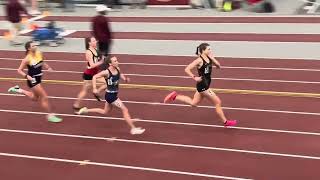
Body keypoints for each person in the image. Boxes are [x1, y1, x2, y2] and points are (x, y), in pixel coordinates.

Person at [164, 43, 237, 127]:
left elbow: (218, 66)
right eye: (208, 49)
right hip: (203, 86)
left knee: (193, 103)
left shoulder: (209, 58)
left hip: (205, 84)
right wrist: (194, 77)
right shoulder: (199, 60)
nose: (210, 51)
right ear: (203, 50)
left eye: (210, 49)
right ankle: (226, 122)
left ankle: (175, 96)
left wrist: (213, 58)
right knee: (218, 102)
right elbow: (187, 69)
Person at [77, 56, 145, 135]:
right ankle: (133, 129)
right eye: (115, 61)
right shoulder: (106, 72)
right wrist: (95, 88)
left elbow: (120, 74)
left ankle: (85, 110)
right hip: (110, 96)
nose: (117, 62)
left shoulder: (117, 68)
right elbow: (95, 77)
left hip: (113, 94)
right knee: (125, 109)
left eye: (117, 60)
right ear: (110, 63)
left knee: (104, 112)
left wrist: (125, 79)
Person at [8, 41, 62, 123]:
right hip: (32, 80)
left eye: (36, 45)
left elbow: (42, 61)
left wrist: (48, 67)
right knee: (45, 97)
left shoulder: (39, 53)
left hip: (39, 78)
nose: (36, 46)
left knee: (35, 98)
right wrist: (27, 76)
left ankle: (18, 89)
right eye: (33, 46)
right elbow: (19, 70)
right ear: (29, 48)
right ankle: (50, 115)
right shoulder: (27, 59)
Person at [73, 36, 107, 110]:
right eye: (94, 41)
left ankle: (96, 92)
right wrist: (101, 62)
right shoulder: (88, 52)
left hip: (95, 73)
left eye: (95, 40)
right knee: (84, 91)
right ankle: (76, 105)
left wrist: (103, 57)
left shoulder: (95, 49)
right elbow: (92, 65)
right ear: (89, 43)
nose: (96, 42)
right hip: (89, 75)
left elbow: (98, 58)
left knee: (107, 82)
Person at [92, 5, 112, 70]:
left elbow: (93, 29)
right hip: (105, 38)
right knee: (106, 52)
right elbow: (107, 30)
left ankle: (100, 64)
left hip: (98, 38)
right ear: (103, 11)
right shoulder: (105, 19)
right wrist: (110, 38)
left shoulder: (94, 19)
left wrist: (95, 37)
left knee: (100, 51)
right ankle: (105, 66)